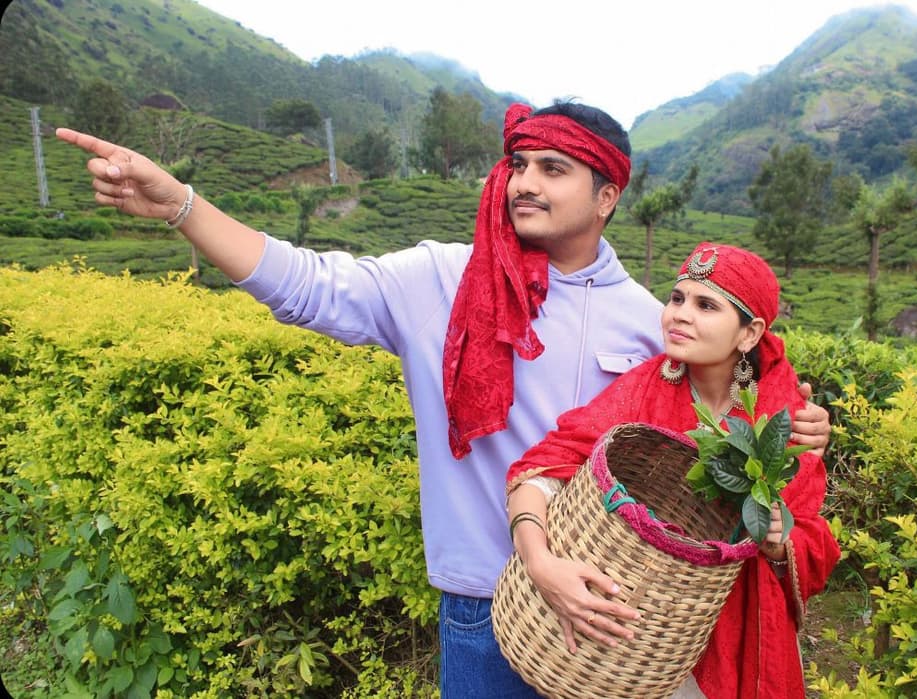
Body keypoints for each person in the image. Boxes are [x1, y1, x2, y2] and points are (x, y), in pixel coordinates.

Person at [56, 102, 831, 698]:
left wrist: (796, 428)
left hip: (611, 621)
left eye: (554, 168)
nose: (525, 181)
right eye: (519, 163)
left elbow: (715, 445)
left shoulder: (652, 320)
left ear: (607, 196)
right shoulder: (439, 279)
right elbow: (303, 284)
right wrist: (182, 207)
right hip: (482, 607)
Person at [505, 242, 841, 698]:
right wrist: (539, 561)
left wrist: (781, 545)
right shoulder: (640, 392)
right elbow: (543, 469)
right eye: (677, 298)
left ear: (749, 332)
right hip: (632, 640)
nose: (679, 314)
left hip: (729, 642)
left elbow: (815, 543)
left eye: (705, 305)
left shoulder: (785, 420)